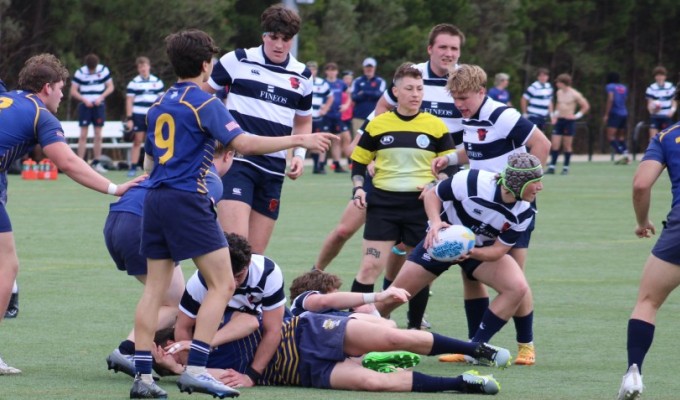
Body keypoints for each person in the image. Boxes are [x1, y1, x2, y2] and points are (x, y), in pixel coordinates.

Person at [130, 29, 333, 399]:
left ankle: (142, 378)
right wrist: (298, 140)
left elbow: (147, 161)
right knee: (223, 284)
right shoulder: (205, 103)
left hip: (154, 197)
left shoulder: (160, 102)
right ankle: (196, 370)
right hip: (187, 199)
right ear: (207, 65)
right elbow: (244, 144)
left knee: (155, 291)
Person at [0, 53, 142, 376]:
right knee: (6, 264)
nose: (64, 95)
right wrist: (114, 188)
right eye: (62, 88)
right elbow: (68, 163)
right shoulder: (41, 115)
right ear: (47, 87)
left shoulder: (7, 98)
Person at [431, 64, 551, 366]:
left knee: (513, 279)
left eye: (464, 98)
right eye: (455, 99)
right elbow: (474, 152)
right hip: (480, 207)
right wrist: (448, 157)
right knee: (470, 274)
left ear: (481, 92)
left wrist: (527, 181)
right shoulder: (470, 117)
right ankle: (475, 346)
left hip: (512, 211)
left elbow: (542, 144)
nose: (459, 105)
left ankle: (526, 345)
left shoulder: (502, 115)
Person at [378, 153, 542, 362]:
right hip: (440, 242)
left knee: (517, 287)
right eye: (535, 182)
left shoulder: (525, 211)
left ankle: (474, 349)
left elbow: (499, 251)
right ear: (519, 183)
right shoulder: (471, 181)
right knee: (393, 297)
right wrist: (436, 223)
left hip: (478, 249)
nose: (540, 188)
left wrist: (470, 252)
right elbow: (432, 195)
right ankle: (351, 332)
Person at [104, 144, 234, 379]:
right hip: (140, 225)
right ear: (229, 155)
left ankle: (138, 352)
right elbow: (197, 220)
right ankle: (128, 350)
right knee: (174, 306)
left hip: (117, 220)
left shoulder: (173, 163)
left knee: (167, 299)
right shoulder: (209, 176)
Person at [370, 23, 467, 329]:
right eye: (443, 48)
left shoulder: (464, 78)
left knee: (430, 243)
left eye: (454, 49)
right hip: (405, 169)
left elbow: (475, 122)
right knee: (397, 242)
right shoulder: (413, 76)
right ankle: (386, 297)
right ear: (430, 49)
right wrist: (374, 154)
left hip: (449, 170)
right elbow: (381, 111)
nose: (448, 54)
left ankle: (411, 314)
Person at [203, 4, 321, 254]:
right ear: (263, 36)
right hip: (237, 163)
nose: (279, 45)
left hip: (274, 170)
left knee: (254, 260)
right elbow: (201, 96)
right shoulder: (238, 60)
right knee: (234, 252)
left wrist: (299, 155)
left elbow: (302, 121)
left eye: (286, 39)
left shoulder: (302, 75)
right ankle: (213, 293)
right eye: (273, 37)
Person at [155, 312, 510, 395]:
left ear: (174, 337)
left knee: (394, 339)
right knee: (374, 383)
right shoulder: (193, 374)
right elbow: (228, 381)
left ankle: (475, 349)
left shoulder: (208, 324)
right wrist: (173, 369)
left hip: (305, 333)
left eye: (167, 348)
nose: (172, 355)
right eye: (164, 357)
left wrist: (200, 344)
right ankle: (463, 384)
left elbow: (250, 322)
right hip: (297, 372)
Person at [349, 63, 455, 330]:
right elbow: (359, 162)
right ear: (395, 91)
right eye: (409, 88)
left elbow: (449, 166)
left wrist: (436, 183)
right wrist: (358, 187)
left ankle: (414, 328)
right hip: (383, 205)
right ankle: (355, 325)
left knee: (418, 272)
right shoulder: (377, 125)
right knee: (369, 267)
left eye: (419, 89)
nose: (415, 94)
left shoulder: (435, 126)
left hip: (420, 207)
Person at [616, 121, 680, 400]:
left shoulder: (667, 136)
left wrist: (642, 222)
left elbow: (641, 184)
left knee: (648, 302)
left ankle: (633, 373)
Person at [70, 53, 114, 173]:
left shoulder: (103, 70)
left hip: (98, 106)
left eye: (93, 69)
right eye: (90, 69)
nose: (91, 71)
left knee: (98, 134)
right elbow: (73, 91)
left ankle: (97, 162)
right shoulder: (80, 72)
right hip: (85, 106)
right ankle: (79, 164)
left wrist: (100, 98)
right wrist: (84, 99)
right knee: (83, 135)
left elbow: (110, 87)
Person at [124, 56, 165, 177]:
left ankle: (157, 166)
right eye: (140, 66)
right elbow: (129, 101)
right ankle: (133, 167)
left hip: (153, 115)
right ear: (138, 68)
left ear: (149, 66)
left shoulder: (157, 82)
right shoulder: (134, 83)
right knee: (137, 141)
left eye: (145, 66)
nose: (143, 68)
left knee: (154, 140)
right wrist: (130, 118)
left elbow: (162, 100)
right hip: (138, 115)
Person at [547, 73, 590, 175]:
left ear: (563, 83)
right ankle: (552, 167)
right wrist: (554, 116)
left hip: (569, 122)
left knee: (567, 145)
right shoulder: (559, 92)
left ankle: (566, 167)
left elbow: (585, 106)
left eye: (558, 82)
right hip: (559, 121)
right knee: (555, 144)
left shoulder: (575, 94)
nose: (556, 84)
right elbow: (558, 105)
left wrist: (576, 116)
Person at [323, 62, 352, 173]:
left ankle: (337, 164)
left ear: (337, 71)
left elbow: (349, 95)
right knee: (324, 140)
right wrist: (322, 106)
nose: (331, 72)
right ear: (326, 71)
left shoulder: (341, 83)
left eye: (333, 70)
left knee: (337, 140)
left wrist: (346, 105)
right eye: (329, 70)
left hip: (337, 115)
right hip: (326, 116)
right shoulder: (323, 83)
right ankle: (320, 164)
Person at [307, 61, 334, 174]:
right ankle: (313, 164)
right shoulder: (302, 80)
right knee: (306, 141)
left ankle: (319, 166)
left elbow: (330, 97)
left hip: (318, 117)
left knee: (319, 141)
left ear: (317, 71)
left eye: (314, 69)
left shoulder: (322, 83)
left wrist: (325, 108)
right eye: (310, 69)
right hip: (306, 119)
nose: (312, 71)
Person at [351, 57, 386, 138]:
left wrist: (364, 92)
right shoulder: (357, 81)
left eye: (371, 67)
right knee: (357, 142)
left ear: (374, 68)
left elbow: (380, 95)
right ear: (364, 68)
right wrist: (372, 94)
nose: (369, 69)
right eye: (367, 67)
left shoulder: (380, 81)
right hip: (359, 117)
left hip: (375, 117)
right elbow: (354, 97)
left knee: (374, 141)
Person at [603, 72, 630, 165]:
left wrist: (606, 114)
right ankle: (626, 153)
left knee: (610, 136)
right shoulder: (623, 87)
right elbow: (625, 98)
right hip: (624, 112)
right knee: (621, 136)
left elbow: (610, 99)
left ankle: (622, 154)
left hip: (615, 113)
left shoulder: (610, 86)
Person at [645, 66, 676, 140]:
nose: (659, 77)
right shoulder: (651, 88)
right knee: (653, 138)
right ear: (655, 77)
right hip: (655, 116)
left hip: (666, 116)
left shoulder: (670, 87)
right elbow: (649, 103)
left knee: (668, 137)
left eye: (661, 75)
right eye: (657, 75)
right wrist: (652, 110)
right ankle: (653, 151)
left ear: (665, 76)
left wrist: (672, 110)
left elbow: (674, 102)